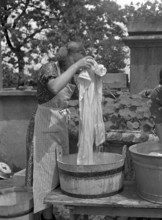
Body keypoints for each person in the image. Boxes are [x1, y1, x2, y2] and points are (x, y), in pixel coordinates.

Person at [25, 41, 95, 220]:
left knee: (59, 170)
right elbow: (54, 87)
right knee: (44, 172)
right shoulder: (48, 68)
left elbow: (83, 94)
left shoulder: (72, 74)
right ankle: (46, 216)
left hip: (60, 124)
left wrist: (94, 75)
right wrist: (77, 66)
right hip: (43, 125)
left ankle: (55, 213)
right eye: (80, 58)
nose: (81, 63)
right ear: (72, 56)